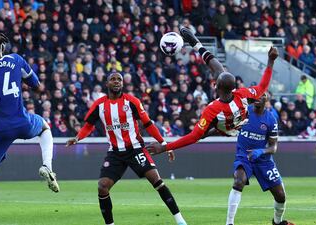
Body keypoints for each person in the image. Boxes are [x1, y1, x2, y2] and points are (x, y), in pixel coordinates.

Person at [0, 33, 59, 225]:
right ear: (3, 48)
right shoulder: (16, 60)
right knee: (45, 127)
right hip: (21, 122)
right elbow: (37, 86)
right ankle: (47, 165)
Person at [66, 72, 187, 225]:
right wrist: (77, 138)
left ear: (122, 84)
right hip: (115, 152)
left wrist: (164, 144)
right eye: (113, 79)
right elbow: (89, 125)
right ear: (107, 84)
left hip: (135, 148)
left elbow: (148, 124)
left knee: (156, 180)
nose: (116, 82)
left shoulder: (132, 101)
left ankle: (180, 220)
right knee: (102, 187)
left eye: (119, 79)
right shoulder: (99, 105)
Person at [147, 27, 278, 154]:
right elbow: (262, 87)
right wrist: (271, 61)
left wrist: (164, 148)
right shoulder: (242, 94)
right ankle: (196, 44)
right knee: (220, 72)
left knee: (201, 133)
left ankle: (196, 44)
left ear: (216, 87)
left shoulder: (212, 110)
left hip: (225, 128)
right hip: (238, 121)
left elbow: (193, 137)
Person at [224, 93, 294, 225]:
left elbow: (273, 147)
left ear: (266, 100)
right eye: (255, 96)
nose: (257, 99)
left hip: (263, 161)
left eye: (261, 97)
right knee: (239, 181)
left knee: (281, 196)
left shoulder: (271, 119)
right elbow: (226, 127)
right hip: (244, 156)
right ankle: (229, 223)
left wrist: (261, 151)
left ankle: (277, 222)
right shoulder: (243, 112)